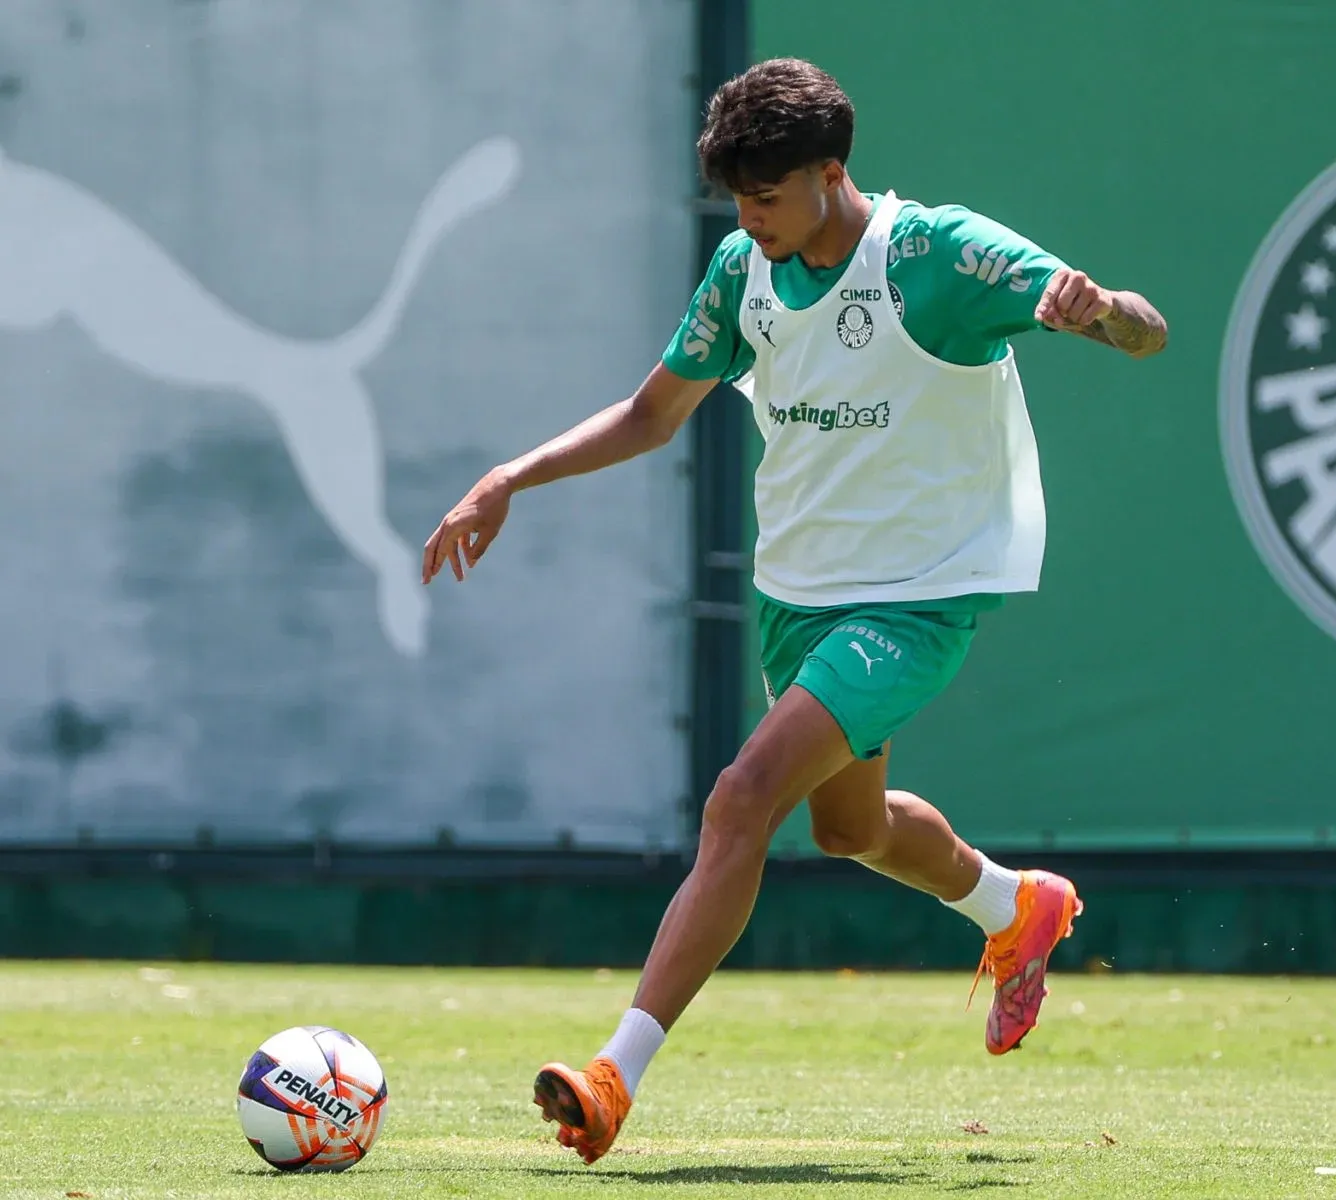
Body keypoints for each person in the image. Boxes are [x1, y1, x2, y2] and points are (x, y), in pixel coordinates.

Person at [420, 57, 1167, 1164]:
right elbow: (650, 414)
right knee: (847, 829)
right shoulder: (742, 270)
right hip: (798, 596)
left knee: (741, 799)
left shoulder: (936, 254)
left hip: (916, 600)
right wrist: (509, 478)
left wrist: (1100, 313)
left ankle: (613, 1075)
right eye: (737, 199)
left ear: (831, 173)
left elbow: (1148, 328)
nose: (750, 218)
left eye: (766, 196)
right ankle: (1017, 910)